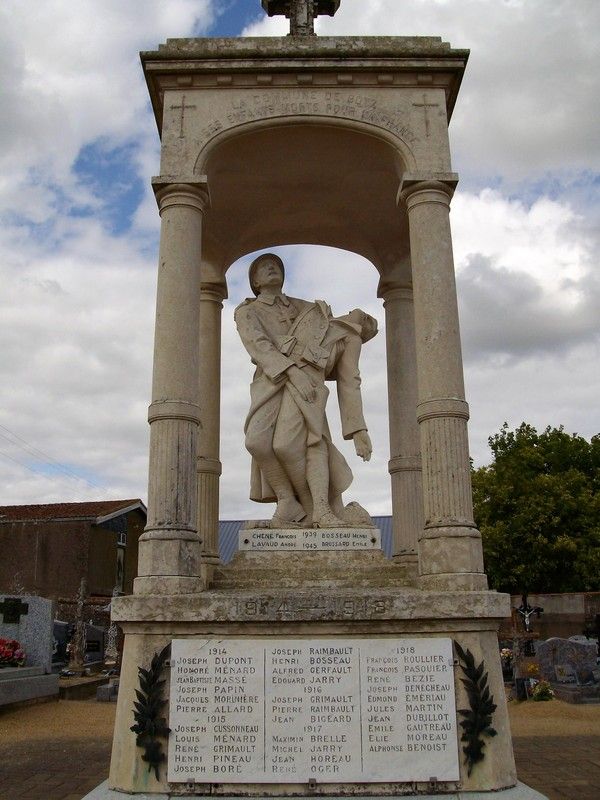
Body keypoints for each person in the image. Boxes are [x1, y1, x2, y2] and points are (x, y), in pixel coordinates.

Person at [234, 252, 377, 528]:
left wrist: (357, 428)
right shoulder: (247, 311)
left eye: (276, 265)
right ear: (255, 281)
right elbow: (259, 346)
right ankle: (288, 499)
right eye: (264, 267)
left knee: (301, 442)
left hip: (305, 384)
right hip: (271, 381)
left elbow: (347, 373)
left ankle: (316, 509)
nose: (272, 267)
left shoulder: (307, 308)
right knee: (256, 441)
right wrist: (292, 372)